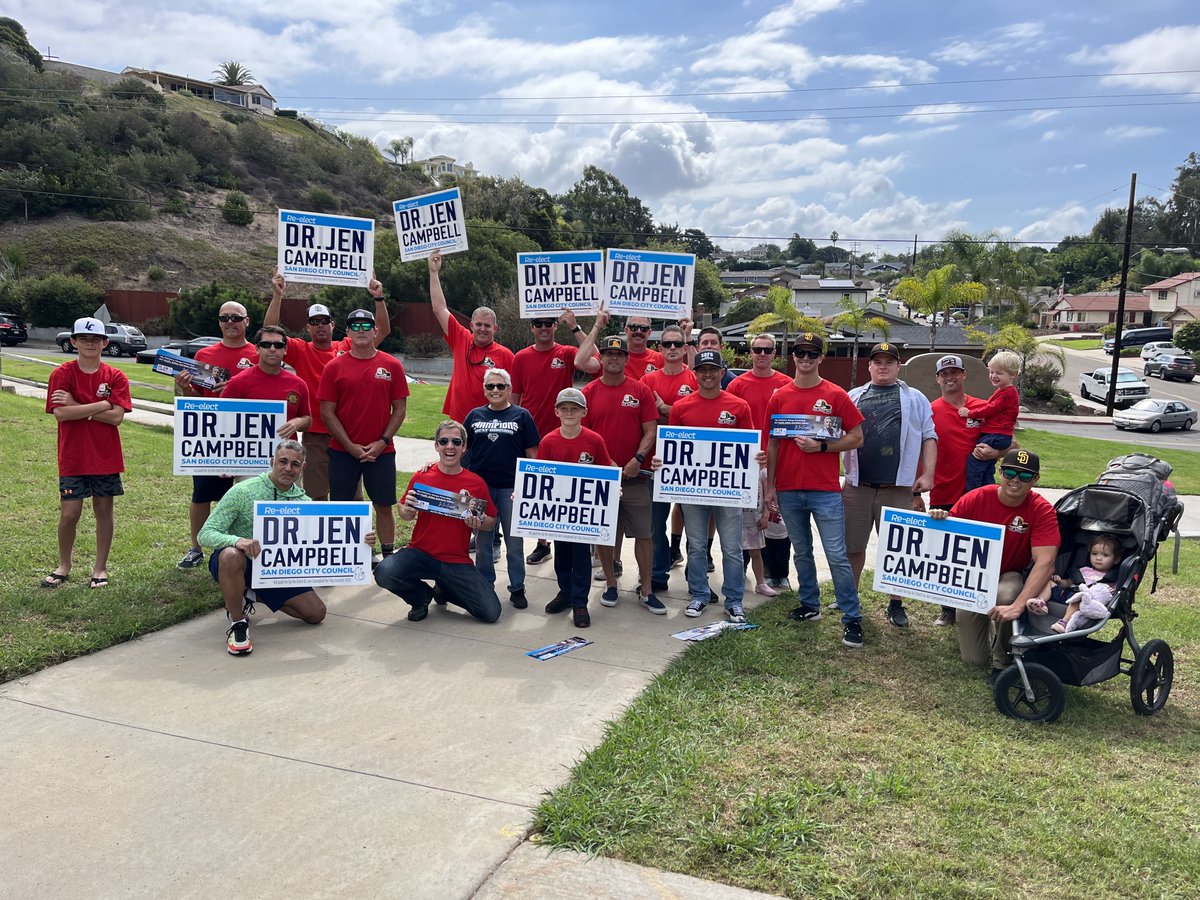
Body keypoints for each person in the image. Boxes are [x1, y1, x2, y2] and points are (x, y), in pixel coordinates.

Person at [198, 440, 357, 656]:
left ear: (303, 468)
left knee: (316, 613)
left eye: (295, 464)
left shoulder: (305, 503)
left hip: (275, 571)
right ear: (272, 462)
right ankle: (237, 623)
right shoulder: (243, 491)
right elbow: (205, 534)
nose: (288, 469)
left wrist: (359, 540)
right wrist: (238, 541)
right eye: (283, 462)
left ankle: (246, 593)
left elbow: (326, 540)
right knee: (230, 554)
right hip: (240, 563)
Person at [763, 332, 867, 649]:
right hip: (789, 489)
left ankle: (852, 617)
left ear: (821, 358)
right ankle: (810, 605)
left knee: (836, 555)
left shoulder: (835, 394)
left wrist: (821, 447)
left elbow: (857, 437)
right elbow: (773, 444)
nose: (805, 359)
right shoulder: (780, 396)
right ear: (793, 356)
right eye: (800, 353)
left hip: (825, 490)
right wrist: (770, 487)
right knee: (802, 551)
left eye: (812, 354)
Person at [930, 448, 1059, 681]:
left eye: (1025, 476)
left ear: (1036, 480)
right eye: (1010, 472)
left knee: (1008, 595)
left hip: (1010, 573)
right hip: (974, 576)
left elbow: (1046, 562)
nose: (1015, 480)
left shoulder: (1041, 509)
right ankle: (989, 626)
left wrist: (1018, 606)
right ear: (1000, 472)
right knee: (974, 659)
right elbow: (948, 537)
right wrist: (939, 519)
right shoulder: (977, 497)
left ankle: (1003, 657)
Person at [263, 269, 390, 500]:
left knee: (352, 498)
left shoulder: (347, 347)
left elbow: (382, 330)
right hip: (316, 435)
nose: (320, 326)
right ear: (308, 327)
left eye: (324, 321)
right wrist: (277, 296)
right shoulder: (301, 350)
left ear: (333, 325)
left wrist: (378, 298)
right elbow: (270, 333)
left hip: (349, 435)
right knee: (317, 495)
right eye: (314, 322)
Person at [655, 350, 756, 622]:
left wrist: (756, 458)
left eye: (713, 369)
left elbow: (748, 446)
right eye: (703, 370)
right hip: (693, 490)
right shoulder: (681, 407)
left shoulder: (739, 406)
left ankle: (734, 601)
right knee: (697, 545)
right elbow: (673, 449)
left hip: (729, 490)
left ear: (722, 372)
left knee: (732, 548)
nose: (708, 375)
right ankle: (699, 594)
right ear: (695, 374)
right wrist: (662, 461)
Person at [843, 342, 937, 629]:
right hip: (858, 486)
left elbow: (929, 436)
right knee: (853, 546)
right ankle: (850, 597)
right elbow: (836, 435)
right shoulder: (853, 397)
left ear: (898, 366)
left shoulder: (915, 398)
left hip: (897, 488)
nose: (882, 366)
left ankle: (896, 603)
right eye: (877, 361)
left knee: (898, 549)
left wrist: (928, 474)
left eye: (889, 362)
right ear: (869, 366)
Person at [374, 421, 502, 624]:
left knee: (491, 612)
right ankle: (421, 597)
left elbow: (491, 522)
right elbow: (405, 513)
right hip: (420, 553)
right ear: (436, 446)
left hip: (456, 560)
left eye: (456, 442)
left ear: (464, 447)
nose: (450, 446)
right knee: (384, 572)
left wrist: (478, 522)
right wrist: (406, 510)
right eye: (444, 441)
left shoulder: (475, 483)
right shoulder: (422, 476)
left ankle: (446, 588)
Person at [41, 317, 131, 589]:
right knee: (70, 513)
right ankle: (64, 565)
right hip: (73, 457)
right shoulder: (62, 374)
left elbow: (116, 418)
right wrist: (101, 404)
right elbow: (61, 413)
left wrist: (77, 404)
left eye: (95, 339)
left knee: (103, 511)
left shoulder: (116, 376)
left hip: (105, 457)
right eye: (83, 339)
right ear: (73, 342)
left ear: (105, 343)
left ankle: (100, 568)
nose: (90, 344)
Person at [577, 322, 660, 613]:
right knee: (605, 533)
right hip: (602, 478)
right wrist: (606, 464)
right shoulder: (588, 392)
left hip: (636, 476)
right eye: (608, 354)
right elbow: (584, 435)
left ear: (626, 359)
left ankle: (646, 589)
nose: (613, 358)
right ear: (601, 358)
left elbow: (651, 430)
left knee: (644, 535)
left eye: (619, 355)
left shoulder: (640, 390)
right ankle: (611, 584)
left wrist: (638, 458)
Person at [317, 308, 409, 562]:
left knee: (383, 505)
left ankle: (388, 557)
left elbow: (400, 409)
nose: (360, 330)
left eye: (366, 326)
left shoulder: (391, 365)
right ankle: (344, 557)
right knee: (342, 508)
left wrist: (382, 442)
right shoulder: (334, 367)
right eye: (355, 326)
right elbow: (327, 412)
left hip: (382, 451)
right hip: (342, 451)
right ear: (347, 332)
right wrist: (349, 446)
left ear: (375, 331)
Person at [510, 310, 600, 566]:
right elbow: (515, 398)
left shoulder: (566, 352)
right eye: (538, 323)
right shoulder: (521, 357)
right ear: (532, 327)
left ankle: (578, 537)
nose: (544, 327)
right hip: (532, 435)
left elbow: (595, 357)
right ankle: (543, 543)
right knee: (541, 491)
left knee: (571, 489)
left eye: (549, 323)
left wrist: (575, 327)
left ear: (555, 326)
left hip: (565, 432)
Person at [175, 300, 259, 570]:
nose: (230, 322)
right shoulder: (204, 355)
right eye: (225, 318)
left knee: (245, 496)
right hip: (213, 435)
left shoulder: (258, 353)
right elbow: (196, 398)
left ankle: (243, 546)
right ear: (219, 322)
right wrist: (185, 388)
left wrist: (235, 390)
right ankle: (196, 548)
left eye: (236, 317)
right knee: (202, 494)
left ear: (247, 321)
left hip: (249, 435)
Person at [926, 354, 1007, 626]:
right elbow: (921, 449)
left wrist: (995, 452)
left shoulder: (984, 407)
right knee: (945, 553)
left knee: (980, 553)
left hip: (979, 493)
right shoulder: (930, 410)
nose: (950, 377)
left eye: (955, 372)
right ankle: (948, 609)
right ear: (938, 379)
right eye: (944, 373)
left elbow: (1011, 443)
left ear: (964, 375)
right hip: (943, 491)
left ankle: (980, 607)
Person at [535, 388, 614, 628]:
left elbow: (606, 469)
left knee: (581, 557)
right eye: (565, 409)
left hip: (583, 514)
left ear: (584, 412)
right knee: (562, 556)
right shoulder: (548, 441)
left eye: (575, 409)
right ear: (556, 412)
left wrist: (614, 488)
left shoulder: (594, 440)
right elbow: (539, 476)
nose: (569, 413)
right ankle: (565, 593)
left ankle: (580, 602)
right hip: (559, 513)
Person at [463, 368, 540, 609]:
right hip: (480, 490)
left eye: (500, 386)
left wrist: (530, 487)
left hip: (511, 489)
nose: (495, 390)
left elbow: (532, 454)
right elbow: (461, 450)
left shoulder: (522, 415)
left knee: (514, 543)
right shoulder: (474, 416)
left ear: (509, 389)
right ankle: (485, 585)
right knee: (482, 543)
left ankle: (517, 588)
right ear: (484, 390)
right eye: (490, 386)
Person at [728, 332, 794, 595]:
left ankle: (778, 573)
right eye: (758, 349)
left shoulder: (787, 384)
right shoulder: (737, 385)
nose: (763, 354)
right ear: (751, 352)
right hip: (746, 464)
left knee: (778, 520)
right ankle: (743, 569)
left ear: (774, 353)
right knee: (747, 520)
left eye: (768, 350)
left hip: (778, 461)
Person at [641, 323, 698, 592]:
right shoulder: (648, 381)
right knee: (655, 526)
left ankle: (696, 580)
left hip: (691, 466)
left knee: (695, 527)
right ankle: (658, 575)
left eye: (677, 344)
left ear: (685, 348)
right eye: (667, 344)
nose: (672, 348)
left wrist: (666, 408)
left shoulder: (695, 378)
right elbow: (644, 419)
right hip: (656, 464)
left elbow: (701, 416)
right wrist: (678, 411)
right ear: (660, 348)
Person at [428, 249, 515, 424]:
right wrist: (434, 272)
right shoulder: (460, 338)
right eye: (479, 324)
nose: (482, 329)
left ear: (495, 328)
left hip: (490, 423)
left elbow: (513, 392)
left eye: (487, 326)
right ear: (471, 325)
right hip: (459, 421)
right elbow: (439, 309)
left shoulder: (506, 355)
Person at [222, 325, 312, 441]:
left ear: (285, 350)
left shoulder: (299, 384)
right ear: (257, 349)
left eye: (278, 345)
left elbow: (307, 419)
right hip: (248, 449)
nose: (272, 349)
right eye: (266, 345)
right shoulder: (237, 382)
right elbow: (222, 419)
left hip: (286, 451)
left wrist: (298, 422)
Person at [1031, 533, 1120, 633]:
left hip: (1083, 602)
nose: (1098, 558)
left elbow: (1111, 592)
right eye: (1094, 554)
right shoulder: (1083, 570)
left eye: (1105, 555)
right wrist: (1059, 581)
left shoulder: (1112, 577)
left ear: (1116, 559)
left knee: (1081, 596)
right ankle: (1040, 602)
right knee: (1048, 581)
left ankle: (1064, 622)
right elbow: (1068, 583)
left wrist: (1114, 590)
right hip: (1067, 594)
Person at [962, 350, 1020, 492]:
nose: (993, 376)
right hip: (998, 435)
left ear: (1013, 375)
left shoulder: (1008, 393)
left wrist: (970, 413)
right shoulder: (1002, 391)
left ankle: (973, 492)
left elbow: (991, 409)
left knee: (975, 461)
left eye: (999, 373)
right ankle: (988, 491)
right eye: (991, 372)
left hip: (997, 435)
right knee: (987, 467)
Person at [622, 315, 664, 381]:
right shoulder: (615, 357)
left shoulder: (661, 359)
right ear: (626, 330)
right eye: (634, 327)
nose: (638, 331)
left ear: (649, 332)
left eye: (643, 328)